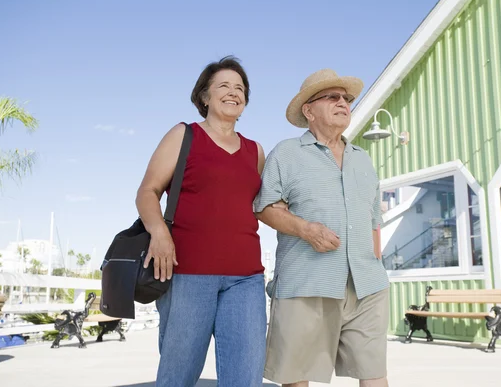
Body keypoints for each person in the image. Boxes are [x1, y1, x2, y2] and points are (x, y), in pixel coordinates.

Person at [135, 56, 267, 387]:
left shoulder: (256, 151)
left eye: (240, 88)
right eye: (223, 85)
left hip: (246, 279)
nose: (233, 92)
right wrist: (159, 233)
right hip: (186, 275)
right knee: (177, 378)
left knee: (245, 380)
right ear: (204, 96)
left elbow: (264, 207)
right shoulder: (184, 135)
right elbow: (147, 192)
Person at [255, 69, 390, 387]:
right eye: (332, 96)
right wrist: (306, 230)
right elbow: (263, 207)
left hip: (366, 286)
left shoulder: (363, 159)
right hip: (305, 284)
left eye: (346, 98)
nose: (343, 102)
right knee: (297, 377)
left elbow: (374, 221)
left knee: (375, 374)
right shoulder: (286, 154)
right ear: (308, 110)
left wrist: (375, 266)